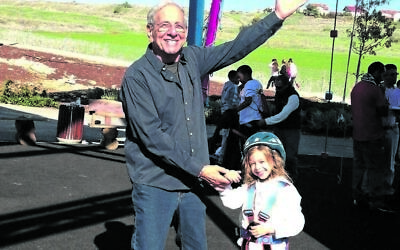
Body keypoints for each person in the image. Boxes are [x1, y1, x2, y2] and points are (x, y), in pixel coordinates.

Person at [118, 0, 308, 248]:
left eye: (179, 26)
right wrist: (201, 169)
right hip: (156, 182)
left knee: (195, 246)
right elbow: (152, 136)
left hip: (192, 182)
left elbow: (236, 48)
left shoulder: (192, 59)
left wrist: (277, 16)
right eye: (164, 25)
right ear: (149, 30)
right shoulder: (137, 77)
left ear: (186, 32)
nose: (173, 32)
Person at [220, 132, 305, 250]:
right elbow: (231, 202)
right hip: (248, 245)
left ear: (275, 160)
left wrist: (270, 228)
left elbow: (297, 223)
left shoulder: (286, 190)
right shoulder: (250, 187)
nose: (257, 167)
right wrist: (224, 183)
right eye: (252, 164)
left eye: (262, 162)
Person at [350, 61, 391, 211]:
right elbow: (383, 112)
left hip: (358, 133)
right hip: (372, 134)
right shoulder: (374, 90)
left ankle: (357, 195)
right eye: (382, 73)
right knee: (374, 168)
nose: (383, 77)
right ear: (377, 72)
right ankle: (374, 197)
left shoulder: (357, 87)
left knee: (359, 165)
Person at [257, 74, 301, 181]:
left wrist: (265, 121)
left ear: (287, 85)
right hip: (279, 128)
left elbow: (282, 115)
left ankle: (291, 177)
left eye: (279, 87)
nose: (277, 89)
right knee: (276, 152)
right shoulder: (280, 93)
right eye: (276, 87)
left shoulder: (293, 97)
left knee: (290, 155)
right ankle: (277, 175)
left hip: (291, 129)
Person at [212, 70, 240, 164]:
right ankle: (222, 157)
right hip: (229, 114)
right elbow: (235, 101)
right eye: (237, 78)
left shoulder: (227, 84)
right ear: (233, 78)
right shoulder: (234, 86)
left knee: (224, 134)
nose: (239, 80)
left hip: (224, 111)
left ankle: (220, 155)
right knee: (226, 136)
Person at [382, 64, 400, 192]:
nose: (394, 77)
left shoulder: (397, 91)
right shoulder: (379, 90)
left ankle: (387, 186)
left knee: (390, 162)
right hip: (379, 128)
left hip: (392, 127)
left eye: (396, 74)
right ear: (385, 75)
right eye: (392, 74)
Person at [236, 65, 264, 142]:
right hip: (254, 118)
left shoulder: (249, 84)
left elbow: (248, 101)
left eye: (240, 76)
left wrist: (235, 110)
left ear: (245, 74)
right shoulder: (256, 83)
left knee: (246, 143)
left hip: (249, 119)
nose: (239, 79)